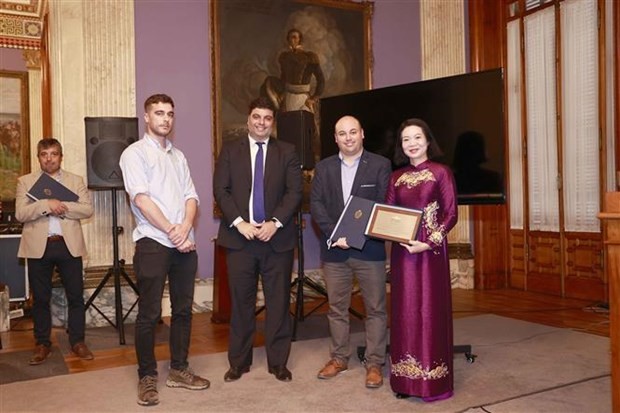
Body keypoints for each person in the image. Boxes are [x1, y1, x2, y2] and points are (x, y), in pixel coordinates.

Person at [119, 94, 209, 406]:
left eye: (170, 114)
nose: (166, 119)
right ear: (146, 117)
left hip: (183, 243)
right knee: (150, 313)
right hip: (152, 242)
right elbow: (141, 199)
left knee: (184, 311)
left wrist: (185, 227)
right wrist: (174, 230)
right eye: (159, 113)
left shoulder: (178, 156)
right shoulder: (134, 154)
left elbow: (191, 196)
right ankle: (146, 377)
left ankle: (179, 369)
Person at [213, 96, 303, 383]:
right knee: (241, 303)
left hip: (277, 240)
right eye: (256, 117)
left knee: (278, 304)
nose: (261, 122)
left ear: (272, 122)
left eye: (267, 118)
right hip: (240, 239)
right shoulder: (230, 151)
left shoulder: (287, 152)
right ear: (248, 119)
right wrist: (240, 223)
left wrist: (274, 223)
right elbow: (221, 189)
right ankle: (239, 362)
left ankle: (278, 363)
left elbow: (294, 193)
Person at [310, 115, 391, 389]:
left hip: (369, 249)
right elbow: (317, 205)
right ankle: (339, 358)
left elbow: (382, 203)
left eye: (353, 132)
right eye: (342, 134)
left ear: (362, 133)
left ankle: (375, 363)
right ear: (335, 138)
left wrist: (355, 235)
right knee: (336, 309)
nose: (348, 138)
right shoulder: (323, 168)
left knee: (376, 309)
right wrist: (336, 234)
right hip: (335, 251)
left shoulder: (380, 165)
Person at [385, 118, 458, 401]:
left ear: (428, 141)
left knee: (429, 310)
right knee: (404, 309)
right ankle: (405, 380)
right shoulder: (396, 177)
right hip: (403, 252)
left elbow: (451, 214)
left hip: (431, 254)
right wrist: (397, 238)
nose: (412, 143)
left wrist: (427, 243)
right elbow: (389, 212)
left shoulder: (441, 172)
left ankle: (432, 381)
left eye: (417, 137)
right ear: (401, 146)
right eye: (406, 139)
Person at [15, 138, 94, 365]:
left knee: (76, 296)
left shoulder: (75, 180)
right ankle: (42, 344)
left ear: (61, 156)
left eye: (54, 154)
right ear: (38, 156)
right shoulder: (25, 181)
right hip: (39, 247)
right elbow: (21, 213)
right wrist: (45, 204)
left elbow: (87, 209)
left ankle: (78, 342)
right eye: (44, 154)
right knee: (40, 299)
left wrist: (62, 207)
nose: (49, 158)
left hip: (68, 245)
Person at [261, 28, 325, 114]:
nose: (292, 40)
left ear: (299, 40)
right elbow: (284, 79)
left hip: (303, 97)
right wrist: (282, 94)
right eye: (290, 38)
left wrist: (313, 99)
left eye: (295, 37)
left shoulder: (309, 57)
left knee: (304, 123)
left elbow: (321, 80)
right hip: (288, 97)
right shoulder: (285, 58)